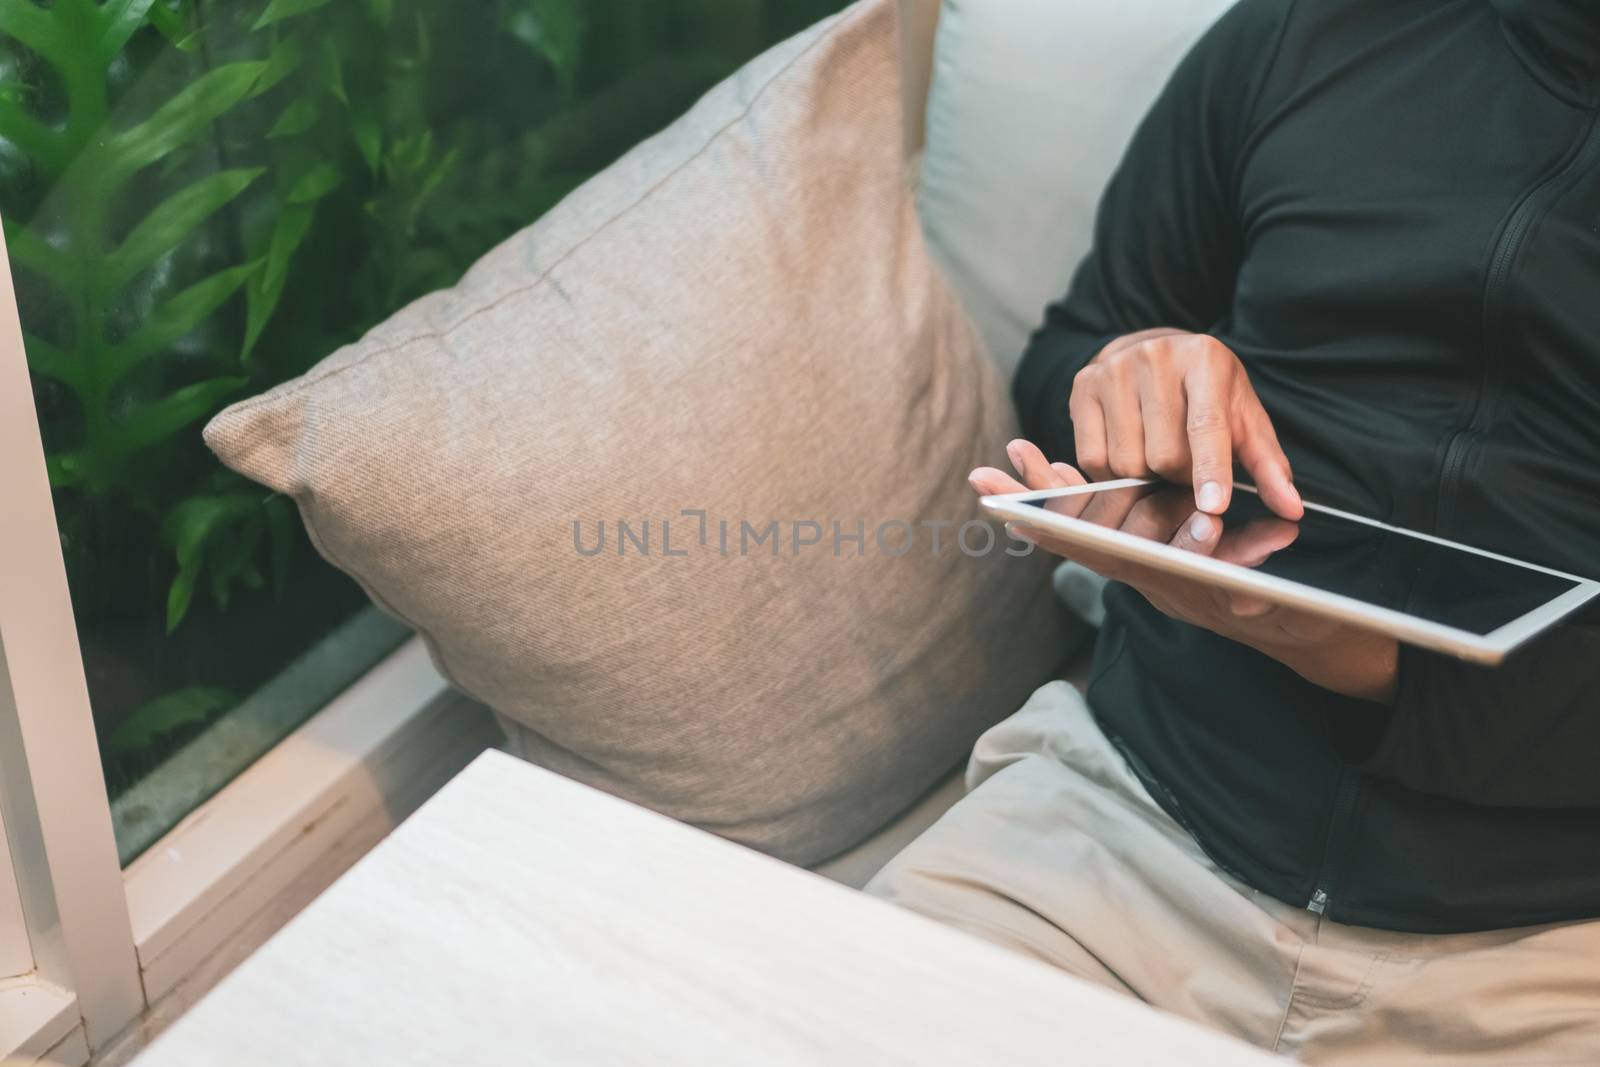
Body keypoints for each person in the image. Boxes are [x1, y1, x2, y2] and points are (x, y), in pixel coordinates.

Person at [866, 0, 1600, 1061]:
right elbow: (1079, 335)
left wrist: (1364, 662)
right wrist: (1134, 379)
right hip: (1120, 832)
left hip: (1548, 956)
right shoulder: (1313, 28)